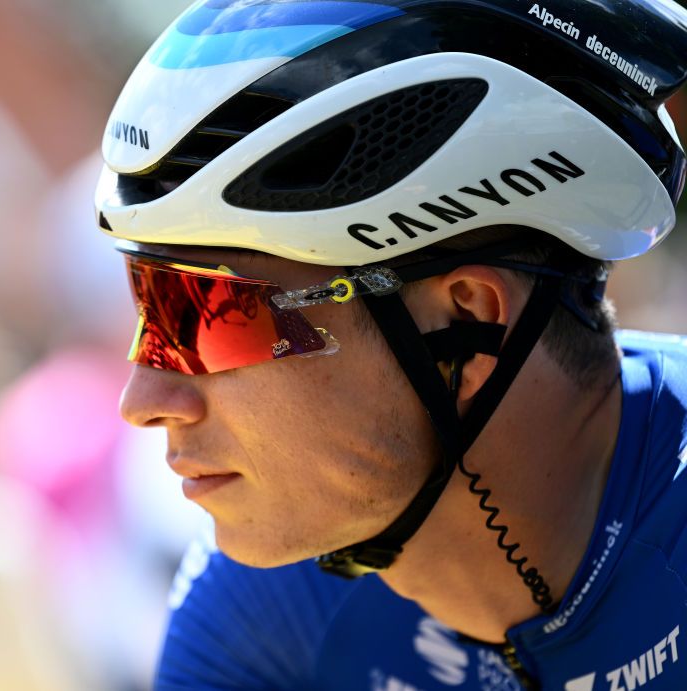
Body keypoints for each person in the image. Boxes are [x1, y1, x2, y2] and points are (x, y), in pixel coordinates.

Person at [93, 1, 687, 689]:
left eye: (212, 314)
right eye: (148, 307)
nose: (142, 401)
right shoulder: (262, 610)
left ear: (467, 327)